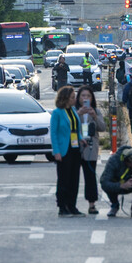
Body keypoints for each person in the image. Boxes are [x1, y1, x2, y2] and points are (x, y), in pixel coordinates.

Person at [50, 86, 83, 217]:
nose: (75, 99)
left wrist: (81, 139)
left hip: (75, 148)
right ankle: (62, 206)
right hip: (64, 149)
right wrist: (56, 151)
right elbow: (53, 133)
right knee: (64, 178)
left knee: (74, 178)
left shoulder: (73, 111)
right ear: (65, 98)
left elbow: (75, 129)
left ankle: (72, 205)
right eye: (72, 97)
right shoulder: (57, 113)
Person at [100, 146, 132, 218]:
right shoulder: (114, 161)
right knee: (108, 184)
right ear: (126, 161)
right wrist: (121, 185)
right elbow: (105, 183)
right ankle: (114, 205)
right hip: (117, 183)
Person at [76, 85, 105, 215]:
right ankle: (71, 204)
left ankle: (92, 204)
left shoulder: (96, 111)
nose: (85, 98)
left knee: (90, 175)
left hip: (91, 146)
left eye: (88, 96)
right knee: (73, 176)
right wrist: (78, 114)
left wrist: (94, 116)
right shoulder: (74, 111)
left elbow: (102, 127)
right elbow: (68, 125)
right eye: (83, 96)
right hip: (76, 145)